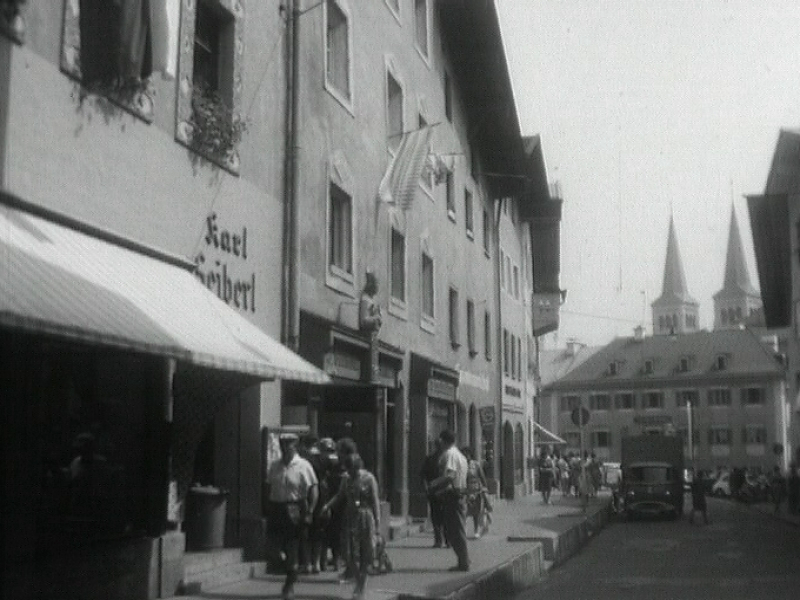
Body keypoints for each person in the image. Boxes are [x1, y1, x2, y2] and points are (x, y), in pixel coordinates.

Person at [265, 433, 318, 600]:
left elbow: (314, 489)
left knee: (292, 547)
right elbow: (268, 486)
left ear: (295, 446)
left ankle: (289, 584)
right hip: (277, 507)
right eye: (282, 444)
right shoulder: (274, 465)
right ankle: (288, 567)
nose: (285, 447)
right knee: (273, 546)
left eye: (289, 444)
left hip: (295, 508)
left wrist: (310, 511)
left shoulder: (303, 465)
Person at [322, 452, 380, 600]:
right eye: (348, 469)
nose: (350, 472)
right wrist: (327, 506)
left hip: (365, 516)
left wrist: (378, 522)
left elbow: (375, 500)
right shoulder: (346, 479)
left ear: (358, 466)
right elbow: (340, 495)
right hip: (350, 517)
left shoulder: (369, 478)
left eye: (352, 469)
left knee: (366, 551)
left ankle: (361, 585)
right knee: (348, 553)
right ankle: (358, 580)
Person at [429, 429, 470, 572]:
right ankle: (463, 560)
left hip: (454, 496)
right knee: (455, 530)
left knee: (456, 530)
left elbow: (450, 475)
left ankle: (464, 562)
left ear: (442, 440)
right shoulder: (460, 455)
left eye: (440, 440)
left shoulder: (450, 454)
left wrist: (434, 484)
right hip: (458, 494)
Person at [421, 440, 448, 548]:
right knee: (436, 516)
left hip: (446, 491)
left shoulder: (448, 459)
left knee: (445, 516)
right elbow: (423, 474)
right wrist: (426, 487)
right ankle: (438, 540)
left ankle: (447, 539)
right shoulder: (430, 459)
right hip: (434, 491)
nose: (439, 448)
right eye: (438, 446)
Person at [462, 447, 489, 539]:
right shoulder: (461, 465)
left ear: (470, 455)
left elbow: (482, 476)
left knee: (476, 512)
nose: (465, 457)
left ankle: (476, 530)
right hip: (465, 491)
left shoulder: (476, 464)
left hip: (476, 490)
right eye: (464, 455)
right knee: (464, 512)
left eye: (467, 455)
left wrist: (485, 488)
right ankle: (463, 531)